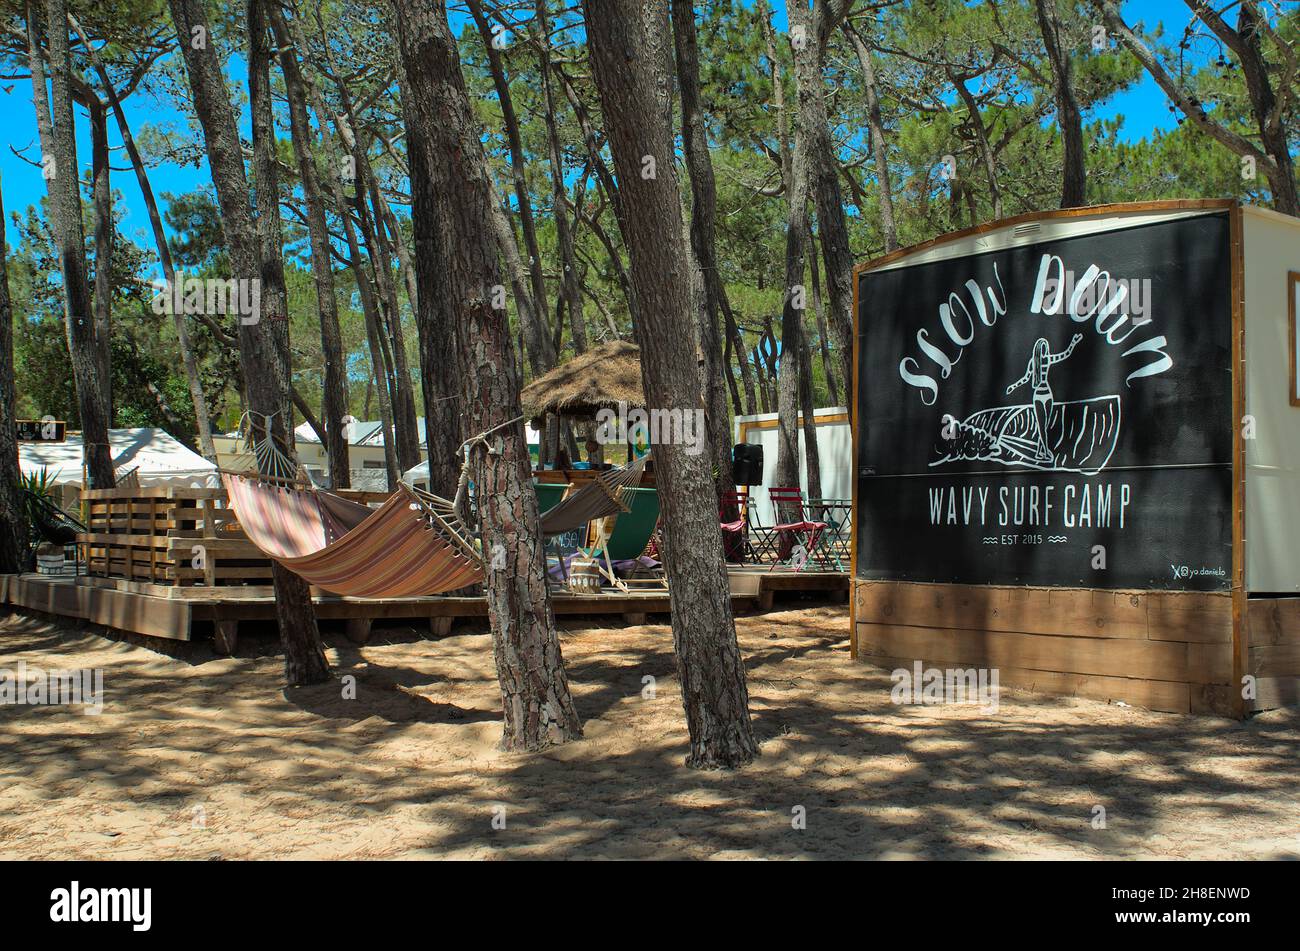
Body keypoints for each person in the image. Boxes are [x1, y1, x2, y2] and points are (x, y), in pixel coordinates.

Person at [1005, 333, 1082, 464]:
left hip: (1048, 395)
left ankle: (1039, 452)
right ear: (1039, 349)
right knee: (1041, 427)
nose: (1046, 350)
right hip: (1038, 397)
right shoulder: (1033, 363)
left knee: (1045, 426)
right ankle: (1045, 452)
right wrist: (1013, 386)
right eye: (1044, 348)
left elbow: (1065, 354)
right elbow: (1026, 378)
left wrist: (1073, 343)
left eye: (1046, 348)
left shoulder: (1047, 359)